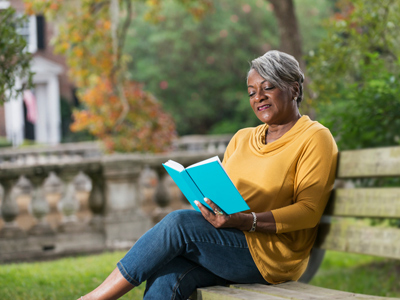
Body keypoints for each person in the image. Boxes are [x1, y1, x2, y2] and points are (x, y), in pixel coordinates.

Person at [78, 50, 338, 300]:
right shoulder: (242, 138)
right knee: (168, 272)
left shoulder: (314, 137)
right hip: (229, 243)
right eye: (251, 92)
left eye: (268, 87)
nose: (258, 97)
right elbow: (226, 193)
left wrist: (246, 221)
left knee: (178, 224)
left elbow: (308, 211)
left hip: (273, 257)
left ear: (294, 88)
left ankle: (96, 298)